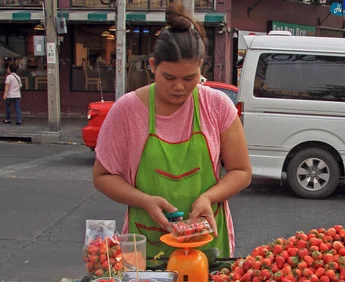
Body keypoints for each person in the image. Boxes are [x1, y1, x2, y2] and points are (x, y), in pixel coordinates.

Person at [93, 0, 252, 262]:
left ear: (202, 67)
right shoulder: (127, 110)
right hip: (146, 242)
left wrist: (208, 197)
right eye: (169, 77)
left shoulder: (217, 105)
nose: (179, 87)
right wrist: (143, 200)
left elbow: (242, 171)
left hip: (206, 244)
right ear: (153, 65)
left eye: (189, 78)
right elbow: (102, 176)